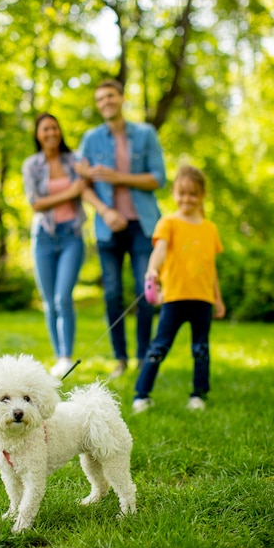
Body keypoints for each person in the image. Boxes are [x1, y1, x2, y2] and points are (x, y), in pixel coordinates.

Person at [78, 79, 166, 378]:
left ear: (121, 98)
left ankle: (143, 358)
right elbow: (83, 185)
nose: (106, 102)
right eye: (100, 98)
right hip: (108, 228)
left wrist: (119, 177)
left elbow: (159, 178)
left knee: (146, 291)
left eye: (110, 96)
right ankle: (120, 359)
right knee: (112, 293)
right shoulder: (90, 139)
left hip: (143, 225)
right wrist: (104, 210)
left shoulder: (145, 134)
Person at [133, 165, 226, 413]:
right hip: (174, 298)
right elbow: (159, 251)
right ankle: (141, 395)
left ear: (202, 195)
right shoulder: (169, 223)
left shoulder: (210, 229)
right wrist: (152, 271)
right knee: (159, 347)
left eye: (193, 194)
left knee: (201, 349)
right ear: (174, 193)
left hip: (203, 299)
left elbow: (211, 268)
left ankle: (199, 395)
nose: (187, 199)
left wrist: (218, 298)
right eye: (182, 193)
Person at [22, 113, 87, 377]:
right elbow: (35, 202)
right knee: (49, 302)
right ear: (38, 135)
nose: (51, 133)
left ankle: (65, 356)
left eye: (54, 128)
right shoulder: (32, 165)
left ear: (60, 131)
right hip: (44, 237)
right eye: (45, 129)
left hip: (71, 234)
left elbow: (89, 183)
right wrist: (70, 193)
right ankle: (59, 357)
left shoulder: (74, 160)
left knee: (63, 297)